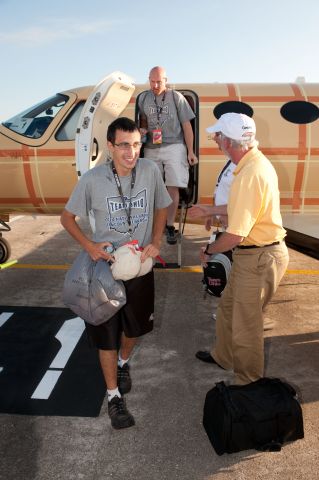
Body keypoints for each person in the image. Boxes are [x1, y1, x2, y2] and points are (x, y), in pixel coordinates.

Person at [60, 117, 171, 429]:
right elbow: (67, 219)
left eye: (136, 144)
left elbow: (163, 205)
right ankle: (113, 397)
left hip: (140, 266)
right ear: (110, 146)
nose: (131, 152)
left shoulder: (149, 171)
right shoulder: (93, 179)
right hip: (104, 270)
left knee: (134, 330)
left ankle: (124, 363)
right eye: (123, 145)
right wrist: (90, 247)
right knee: (106, 337)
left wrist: (156, 241)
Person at [195, 112, 289, 385]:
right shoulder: (251, 165)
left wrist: (211, 250)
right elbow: (242, 208)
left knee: (246, 328)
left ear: (229, 142)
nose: (215, 141)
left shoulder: (250, 173)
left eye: (218, 136)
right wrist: (210, 210)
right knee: (227, 309)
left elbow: (235, 234)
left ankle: (247, 383)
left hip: (259, 257)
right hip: (253, 256)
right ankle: (224, 356)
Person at [138, 66, 197, 245]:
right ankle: (154, 225)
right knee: (151, 187)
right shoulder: (143, 98)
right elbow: (143, 121)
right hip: (151, 146)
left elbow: (187, 125)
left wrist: (191, 151)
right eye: (152, 81)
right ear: (149, 80)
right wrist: (140, 132)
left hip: (174, 145)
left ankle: (170, 226)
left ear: (166, 80)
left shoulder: (176, 97)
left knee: (173, 186)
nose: (155, 85)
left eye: (159, 81)